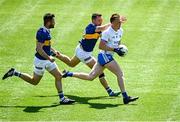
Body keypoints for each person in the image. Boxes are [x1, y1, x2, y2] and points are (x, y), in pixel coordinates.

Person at [62, 14, 139, 104]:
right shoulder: (107, 32)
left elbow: (117, 43)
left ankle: (69, 74)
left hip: (105, 57)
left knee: (91, 77)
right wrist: (115, 49)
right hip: (105, 56)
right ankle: (125, 97)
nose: (120, 24)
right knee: (120, 74)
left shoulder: (121, 31)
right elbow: (101, 46)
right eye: (118, 22)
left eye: (121, 22)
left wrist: (119, 49)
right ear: (112, 23)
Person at [2, 13, 75, 104]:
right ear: (48, 22)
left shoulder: (47, 30)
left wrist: (54, 51)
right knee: (34, 81)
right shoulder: (42, 33)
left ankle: (62, 98)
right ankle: (15, 73)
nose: (55, 23)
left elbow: (46, 44)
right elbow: (39, 49)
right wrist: (49, 58)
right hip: (40, 61)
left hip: (47, 60)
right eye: (53, 21)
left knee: (58, 76)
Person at [54, 13, 122, 96]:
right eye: (99, 20)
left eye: (101, 20)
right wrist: (113, 23)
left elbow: (105, 37)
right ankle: (110, 91)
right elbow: (102, 28)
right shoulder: (91, 27)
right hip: (84, 54)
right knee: (99, 73)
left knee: (71, 63)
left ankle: (57, 55)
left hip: (80, 49)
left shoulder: (98, 30)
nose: (100, 22)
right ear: (93, 20)